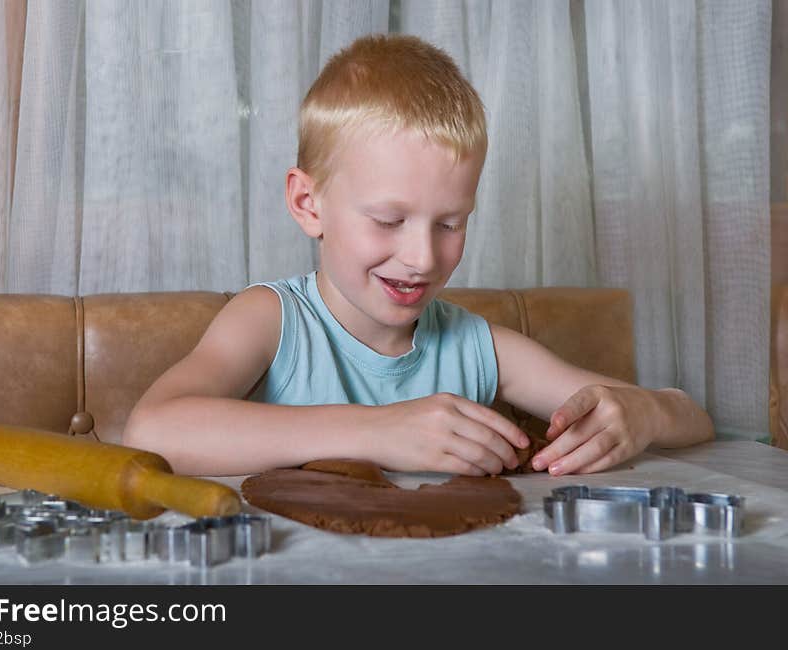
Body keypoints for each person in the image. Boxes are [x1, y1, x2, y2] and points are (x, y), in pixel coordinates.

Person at [123, 34, 713, 478]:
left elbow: (691, 415)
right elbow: (152, 429)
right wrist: (379, 431)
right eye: (388, 220)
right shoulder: (272, 321)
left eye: (451, 223)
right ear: (308, 203)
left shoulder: (479, 347)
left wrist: (646, 415)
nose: (422, 257)